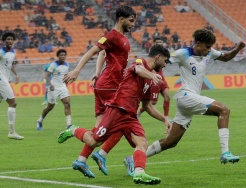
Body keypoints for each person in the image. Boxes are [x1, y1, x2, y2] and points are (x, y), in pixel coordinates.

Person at [123, 29, 246, 176]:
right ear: (198, 43)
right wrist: (148, 75)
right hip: (186, 96)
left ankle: (132, 159)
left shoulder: (209, 52)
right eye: (207, 47)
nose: (209, 50)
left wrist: (238, 49)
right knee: (224, 110)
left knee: (171, 141)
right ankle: (225, 152)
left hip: (189, 101)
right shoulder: (183, 54)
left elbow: (225, 57)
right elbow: (161, 61)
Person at [58, 44, 171, 185]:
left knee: (142, 143)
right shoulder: (140, 62)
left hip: (130, 116)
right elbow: (138, 69)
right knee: (94, 141)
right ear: (158, 57)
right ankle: (73, 130)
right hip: (117, 110)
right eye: (166, 61)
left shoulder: (151, 79)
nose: (166, 65)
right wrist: (152, 75)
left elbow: (147, 106)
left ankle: (139, 173)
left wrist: (164, 119)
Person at [61, 5, 137, 178]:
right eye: (131, 20)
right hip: (110, 86)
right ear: (121, 19)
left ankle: (81, 159)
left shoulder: (121, 38)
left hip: (105, 84)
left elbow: (103, 55)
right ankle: (97, 150)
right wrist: (77, 71)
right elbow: (94, 51)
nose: (133, 24)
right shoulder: (112, 36)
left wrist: (97, 72)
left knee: (99, 131)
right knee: (123, 124)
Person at [36, 49, 72, 130]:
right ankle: (40, 120)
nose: (63, 56)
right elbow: (47, 75)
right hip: (54, 87)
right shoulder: (54, 64)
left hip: (62, 86)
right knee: (50, 106)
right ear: (58, 56)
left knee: (67, 104)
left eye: (64, 55)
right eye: (61, 55)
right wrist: (50, 84)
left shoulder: (67, 65)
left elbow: (65, 75)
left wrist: (66, 84)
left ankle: (69, 125)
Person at [137, 36, 170, 119]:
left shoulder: (164, 53)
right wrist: (152, 75)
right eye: (157, 42)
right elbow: (139, 68)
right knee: (152, 102)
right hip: (153, 77)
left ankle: (166, 117)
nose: (159, 43)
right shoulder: (151, 55)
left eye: (160, 42)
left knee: (167, 97)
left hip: (161, 78)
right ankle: (138, 112)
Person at [0, 32, 24, 140]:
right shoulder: (1, 52)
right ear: (4, 40)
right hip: (1, 79)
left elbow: (11, 64)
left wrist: (16, 74)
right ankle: (12, 132)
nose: (10, 41)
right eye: (8, 39)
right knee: (12, 103)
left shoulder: (13, 52)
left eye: (11, 39)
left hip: (6, 78)